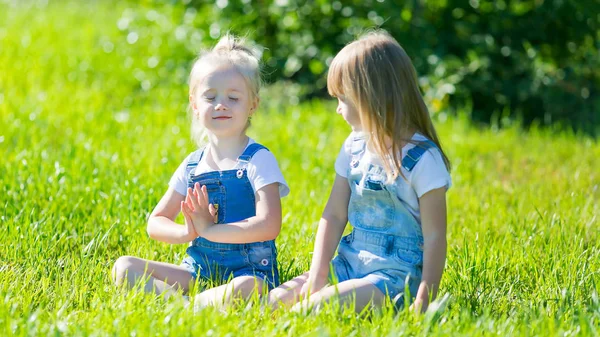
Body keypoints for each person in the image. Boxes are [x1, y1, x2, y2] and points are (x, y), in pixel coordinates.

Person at [268, 30, 451, 313]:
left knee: (309, 310)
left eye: (342, 99)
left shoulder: (423, 160)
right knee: (275, 302)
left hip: (394, 278)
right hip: (349, 262)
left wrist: (424, 299)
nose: (338, 109)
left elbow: (436, 236)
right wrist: (317, 275)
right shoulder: (354, 147)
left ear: (371, 97)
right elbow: (334, 214)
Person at [112, 34, 289, 309]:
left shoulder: (258, 160)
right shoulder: (193, 164)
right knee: (124, 267)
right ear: (195, 104)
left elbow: (269, 224)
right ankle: (194, 304)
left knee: (247, 288)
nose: (221, 104)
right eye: (210, 97)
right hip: (198, 272)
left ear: (253, 104)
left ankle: (181, 306)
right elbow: (156, 221)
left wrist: (211, 229)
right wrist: (187, 232)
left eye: (233, 97)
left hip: (249, 272)